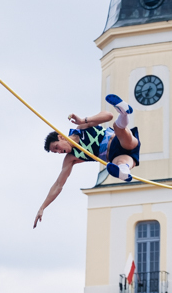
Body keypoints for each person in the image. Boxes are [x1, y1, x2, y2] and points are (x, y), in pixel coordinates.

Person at [33, 94, 140, 228]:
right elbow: (58, 185)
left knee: (121, 131)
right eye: (56, 152)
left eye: (57, 147)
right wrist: (43, 207)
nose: (59, 152)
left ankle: (123, 113)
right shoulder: (71, 158)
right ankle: (123, 172)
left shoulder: (81, 129)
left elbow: (108, 115)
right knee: (123, 164)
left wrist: (83, 120)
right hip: (114, 157)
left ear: (61, 137)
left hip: (119, 141)